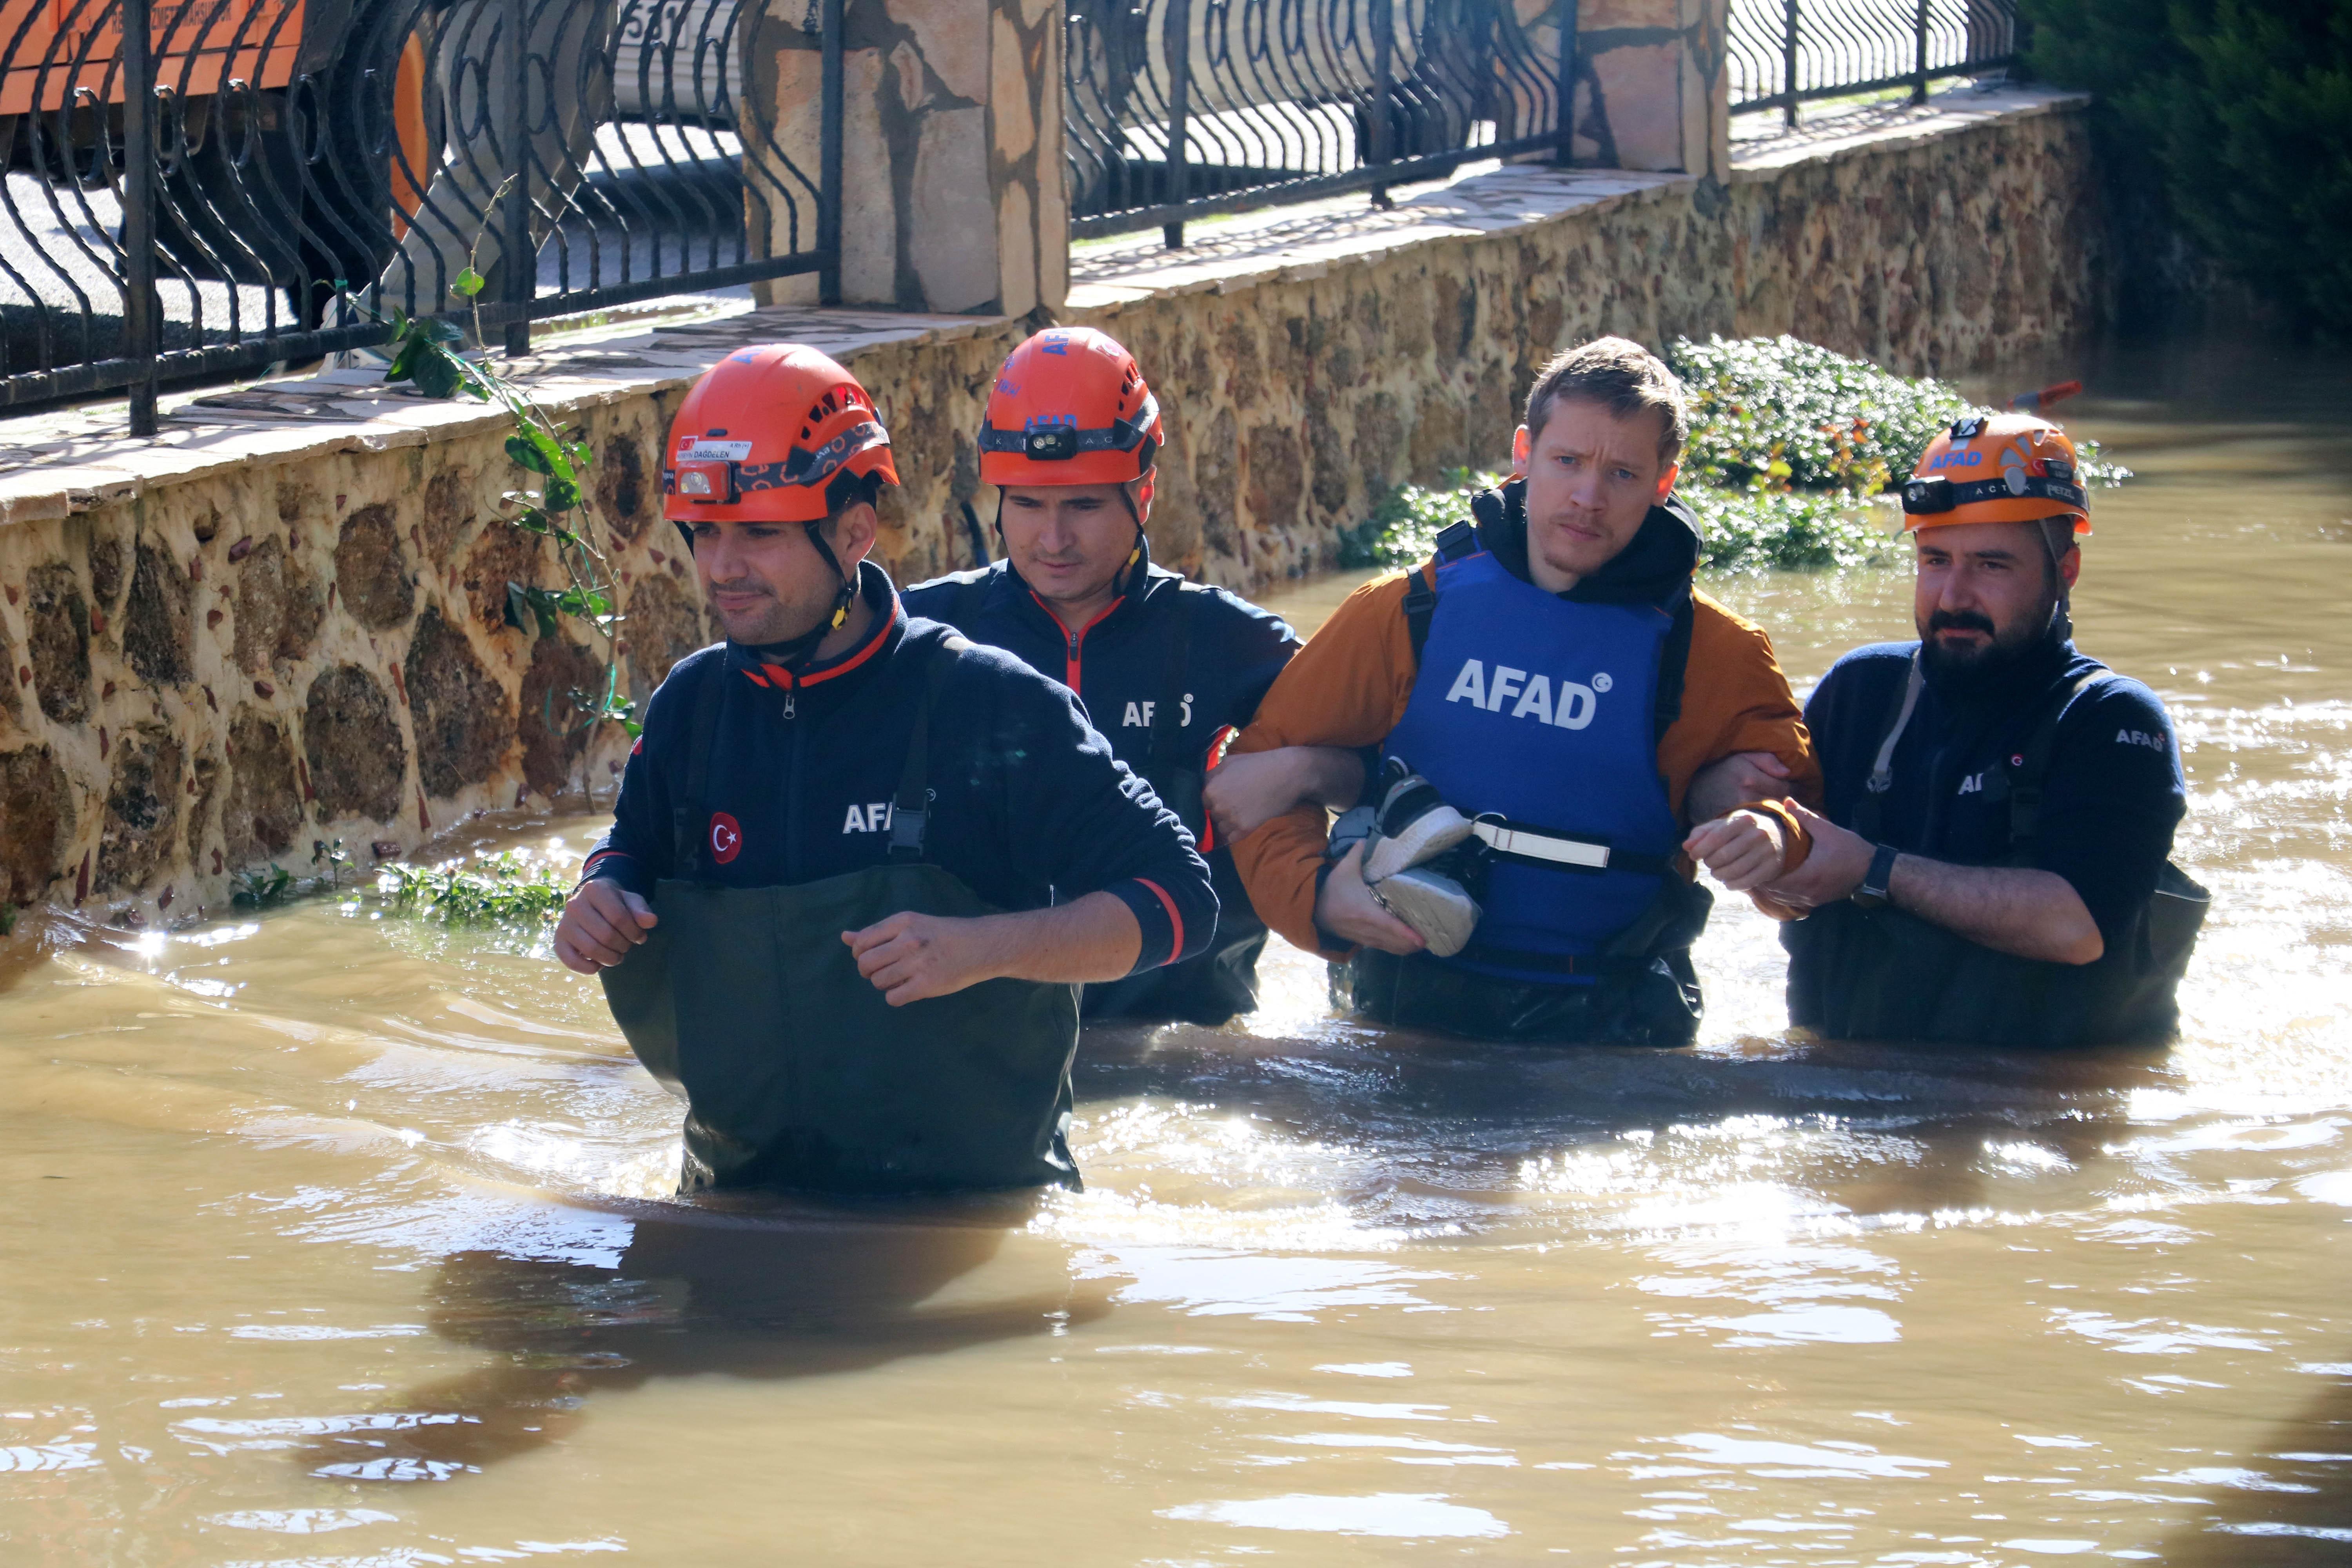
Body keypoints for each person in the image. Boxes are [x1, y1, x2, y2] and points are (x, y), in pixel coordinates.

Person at [552, 345, 1217, 1194]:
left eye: (759, 532)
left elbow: (1181, 901)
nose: (722, 567)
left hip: (971, 1222)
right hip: (739, 1214)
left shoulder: (991, 701)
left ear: (854, 530)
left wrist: (985, 948)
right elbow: (630, 853)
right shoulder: (694, 706)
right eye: (706, 532)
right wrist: (600, 895)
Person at [1224, 336, 1822, 1045]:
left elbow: (1809, 850)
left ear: (1666, 483)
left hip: (1618, 1033)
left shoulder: (1718, 653)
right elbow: (1254, 786)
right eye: (1567, 461)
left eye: (1624, 474)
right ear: (1523, 453)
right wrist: (1318, 898)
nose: (1588, 498)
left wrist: (1771, 835)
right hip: (1404, 1014)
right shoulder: (1406, 611)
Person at [904, 327, 1362, 1025]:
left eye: (1083, 505)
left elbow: (1386, 771)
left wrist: (1301, 769)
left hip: (1190, 1048)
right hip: (987, 1048)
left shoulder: (1229, 640)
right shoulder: (925, 635)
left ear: (1143, 491)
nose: (1052, 540)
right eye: (1027, 505)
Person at [1713, 412, 2206, 1047]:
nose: (1953, 595)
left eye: (1992, 565)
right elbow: (1794, 889)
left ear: (2067, 572)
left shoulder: (2111, 718)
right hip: (1844, 1094)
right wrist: (1766, 848)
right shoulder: (1862, 691)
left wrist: (1874, 869)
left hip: (2036, 1116)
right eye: (1935, 559)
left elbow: (2079, 927)